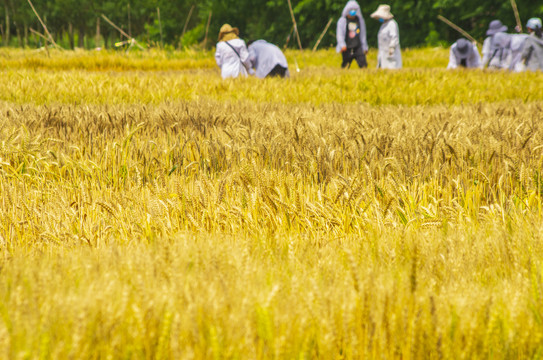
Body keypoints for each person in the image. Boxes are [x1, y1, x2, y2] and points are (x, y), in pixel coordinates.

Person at [336, 1, 368, 69]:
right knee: (345, 65)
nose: (353, 12)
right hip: (347, 47)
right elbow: (340, 34)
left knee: (363, 65)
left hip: (358, 47)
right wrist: (342, 45)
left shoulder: (360, 20)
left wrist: (365, 47)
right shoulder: (343, 21)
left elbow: (363, 35)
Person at [370, 4, 402, 69]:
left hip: (391, 53)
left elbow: (394, 37)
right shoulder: (383, 25)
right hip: (383, 52)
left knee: (392, 69)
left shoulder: (392, 23)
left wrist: (392, 47)